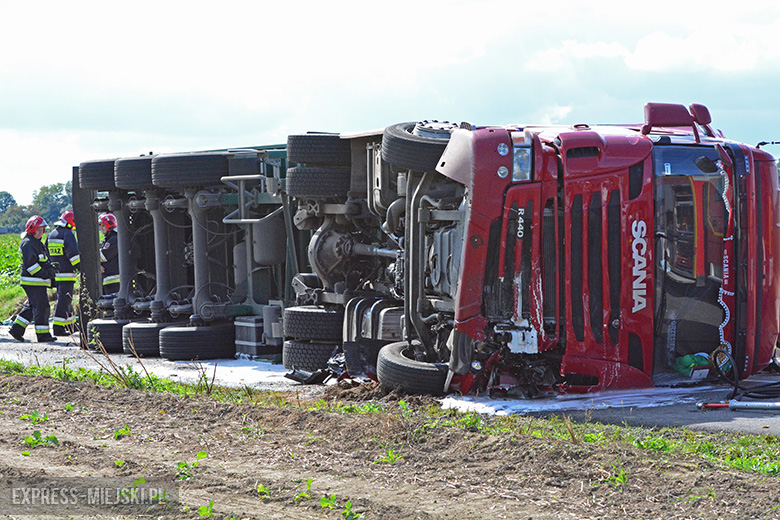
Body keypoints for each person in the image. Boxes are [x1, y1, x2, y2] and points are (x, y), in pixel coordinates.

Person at [9, 216, 56, 343]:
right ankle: (43, 335)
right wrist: (47, 273)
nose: (41, 233)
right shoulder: (28, 244)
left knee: (32, 307)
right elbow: (32, 266)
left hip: (37, 282)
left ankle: (16, 329)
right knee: (42, 307)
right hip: (33, 282)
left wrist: (51, 268)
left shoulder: (36, 243)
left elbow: (42, 260)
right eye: (39, 230)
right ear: (32, 230)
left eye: (43, 230)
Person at [46, 210, 80, 336]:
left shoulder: (52, 234)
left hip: (56, 274)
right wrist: (82, 268)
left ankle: (71, 325)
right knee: (64, 301)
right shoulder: (68, 234)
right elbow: (73, 256)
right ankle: (58, 327)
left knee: (66, 299)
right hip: (66, 274)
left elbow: (46, 254)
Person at [98, 213, 119, 295]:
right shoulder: (106, 240)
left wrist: (96, 262)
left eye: (103, 225)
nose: (101, 228)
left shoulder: (114, 240)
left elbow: (103, 256)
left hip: (114, 282)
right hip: (108, 281)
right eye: (101, 225)